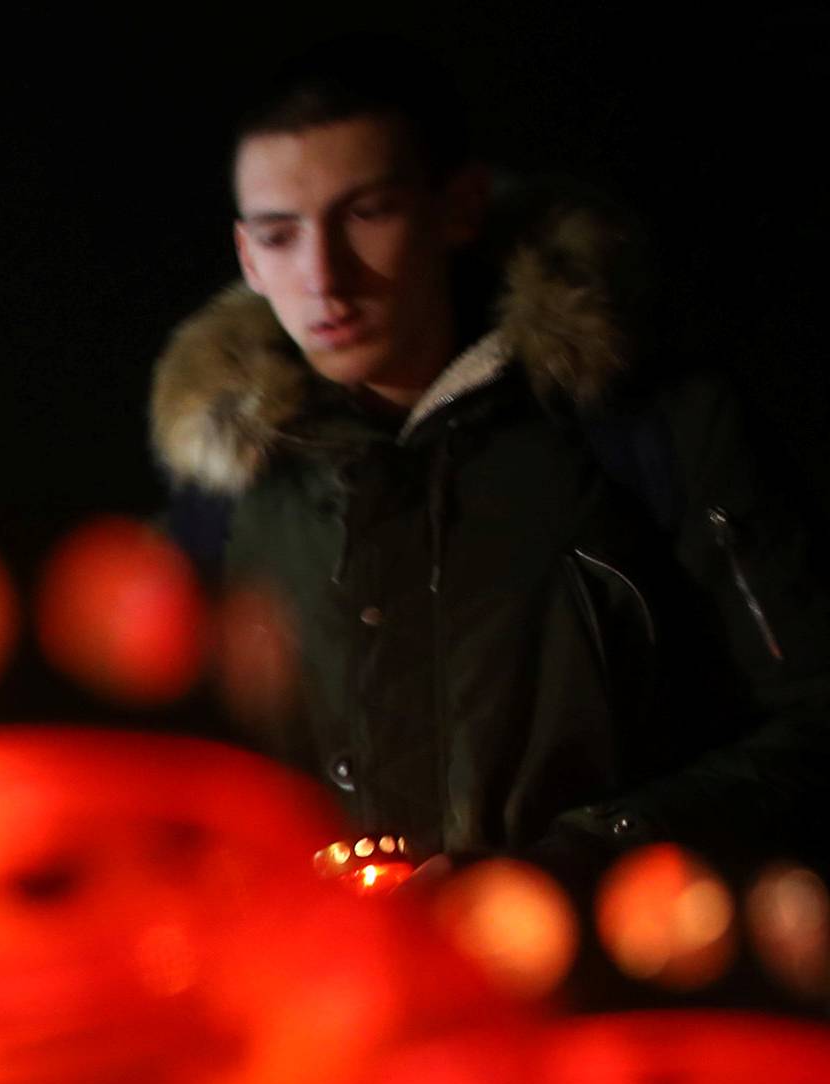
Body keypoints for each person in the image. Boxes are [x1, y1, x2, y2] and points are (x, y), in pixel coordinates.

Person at [151, 33, 830, 876]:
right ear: (247, 256)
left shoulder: (642, 429)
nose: (325, 277)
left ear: (458, 208)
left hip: (608, 987)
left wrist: (562, 872)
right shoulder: (229, 496)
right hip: (326, 993)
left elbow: (811, 722)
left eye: (367, 213)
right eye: (282, 235)